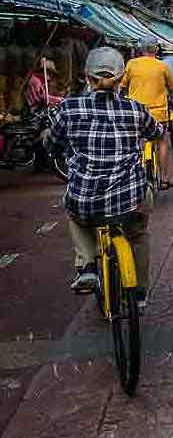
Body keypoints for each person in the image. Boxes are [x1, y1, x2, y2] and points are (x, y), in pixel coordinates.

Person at [46, 47, 162, 305]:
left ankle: (87, 265)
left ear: (87, 77)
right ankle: (140, 293)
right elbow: (157, 132)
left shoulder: (69, 108)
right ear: (121, 79)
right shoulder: (136, 109)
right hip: (130, 200)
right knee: (139, 234)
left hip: (85, 200)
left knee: (74, 214)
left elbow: (50, 144)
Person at [121, 39, 173, 189]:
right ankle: (164, 179)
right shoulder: (162, 65)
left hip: (135, 112)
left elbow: (122, 86)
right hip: (158, 113)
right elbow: (172, 87)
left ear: (140, 49)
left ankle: (131, 177)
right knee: (162, 141)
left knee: (134, 142)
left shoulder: (131, 64)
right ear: (156, 49)